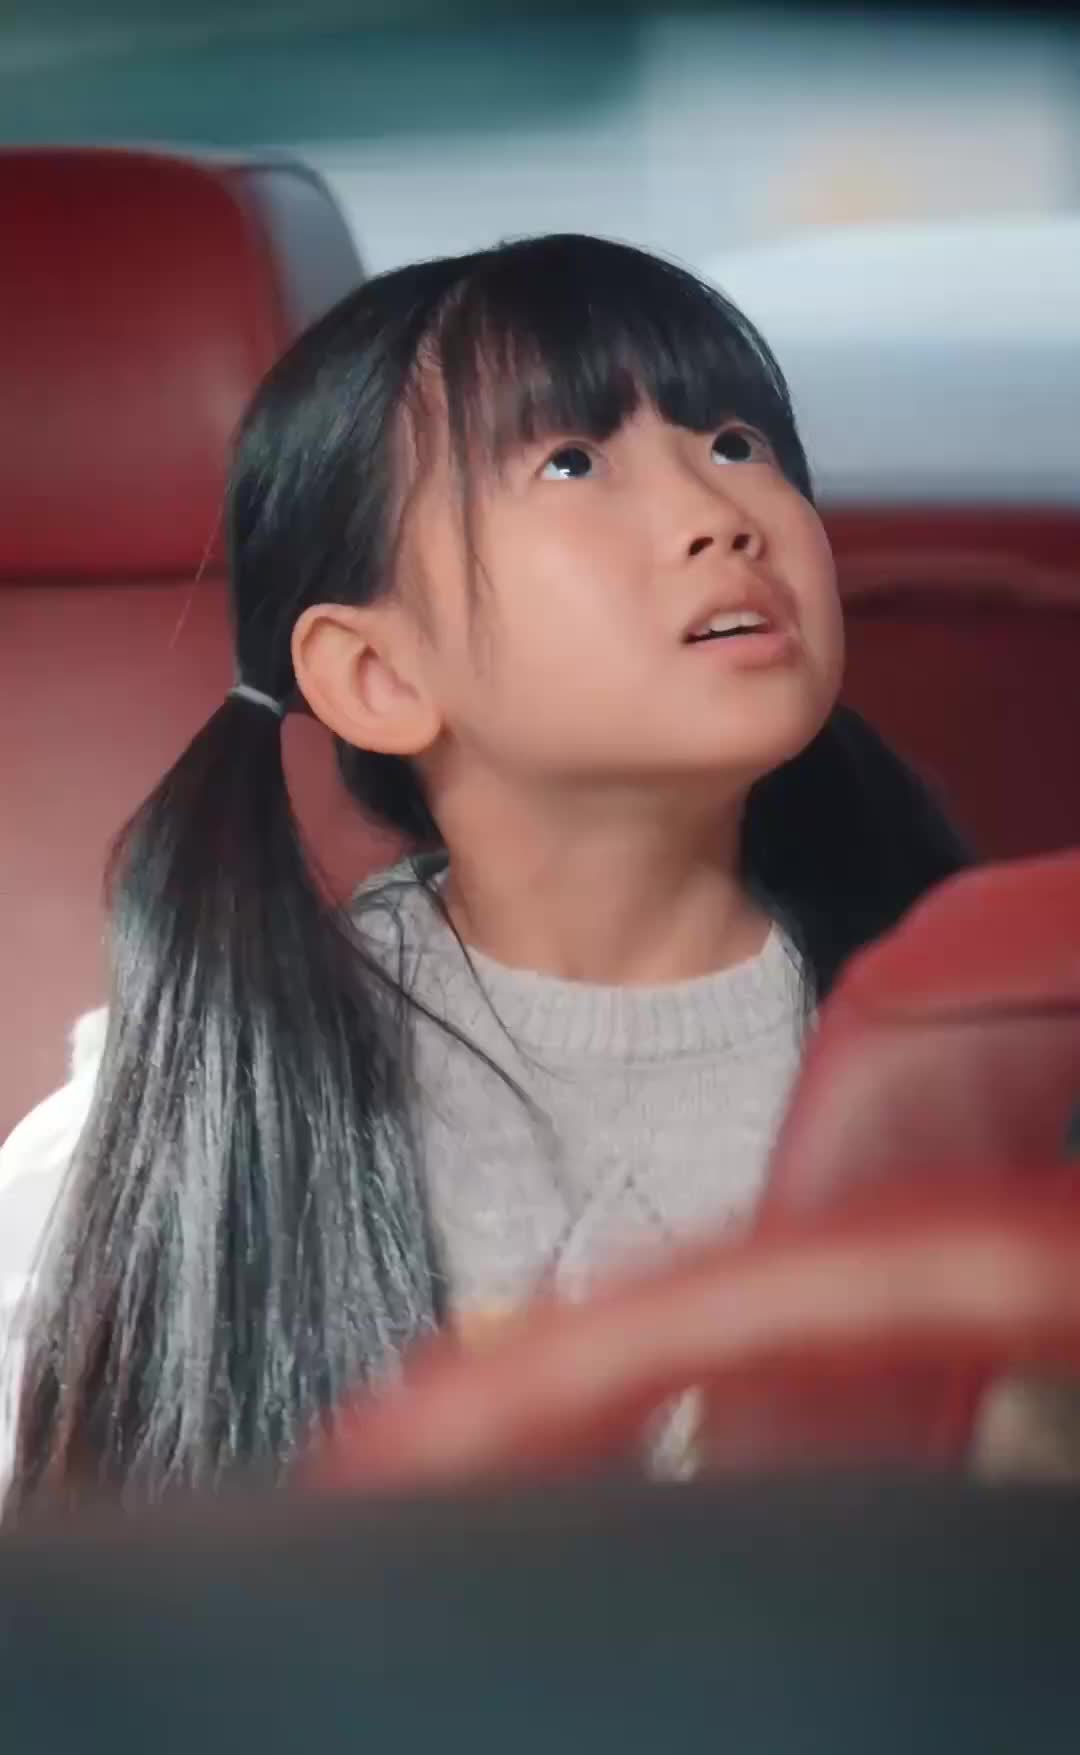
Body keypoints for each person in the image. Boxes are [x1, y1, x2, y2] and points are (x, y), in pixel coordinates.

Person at [0, 234, 968, 1510]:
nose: (720, 514)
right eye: (573, 463)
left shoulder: (981, 1040)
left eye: (737, 443)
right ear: (378, 675)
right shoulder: (192, 1106)